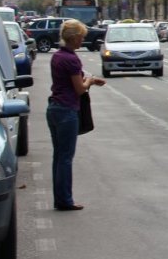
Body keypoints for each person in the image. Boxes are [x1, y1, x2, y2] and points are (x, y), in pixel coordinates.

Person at [47, 19, 106, 211]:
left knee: (58, 156)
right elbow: (80, 89)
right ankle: (65, 200)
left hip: (54, 108)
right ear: (73, 38)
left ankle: (59, 198)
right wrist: (89, 82)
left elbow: (70, 80)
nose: (82, 41)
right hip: (67, 110)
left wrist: (90, 79)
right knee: (65, 158)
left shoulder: (57, 56)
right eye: (81, 37)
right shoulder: (72, 59)